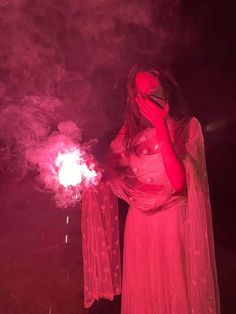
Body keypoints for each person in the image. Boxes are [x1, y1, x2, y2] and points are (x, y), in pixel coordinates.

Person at [81, 65, 221, 314]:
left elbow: (179, 182)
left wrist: (160, 125)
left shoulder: (188, 128)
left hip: (172, 224)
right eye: (140, 95)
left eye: (153, 92)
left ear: (167, 91)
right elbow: (110, 170)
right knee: (146, 293)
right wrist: (91, 169)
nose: (146, 101)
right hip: (140, 225)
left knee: (173, 291)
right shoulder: (129, 132)